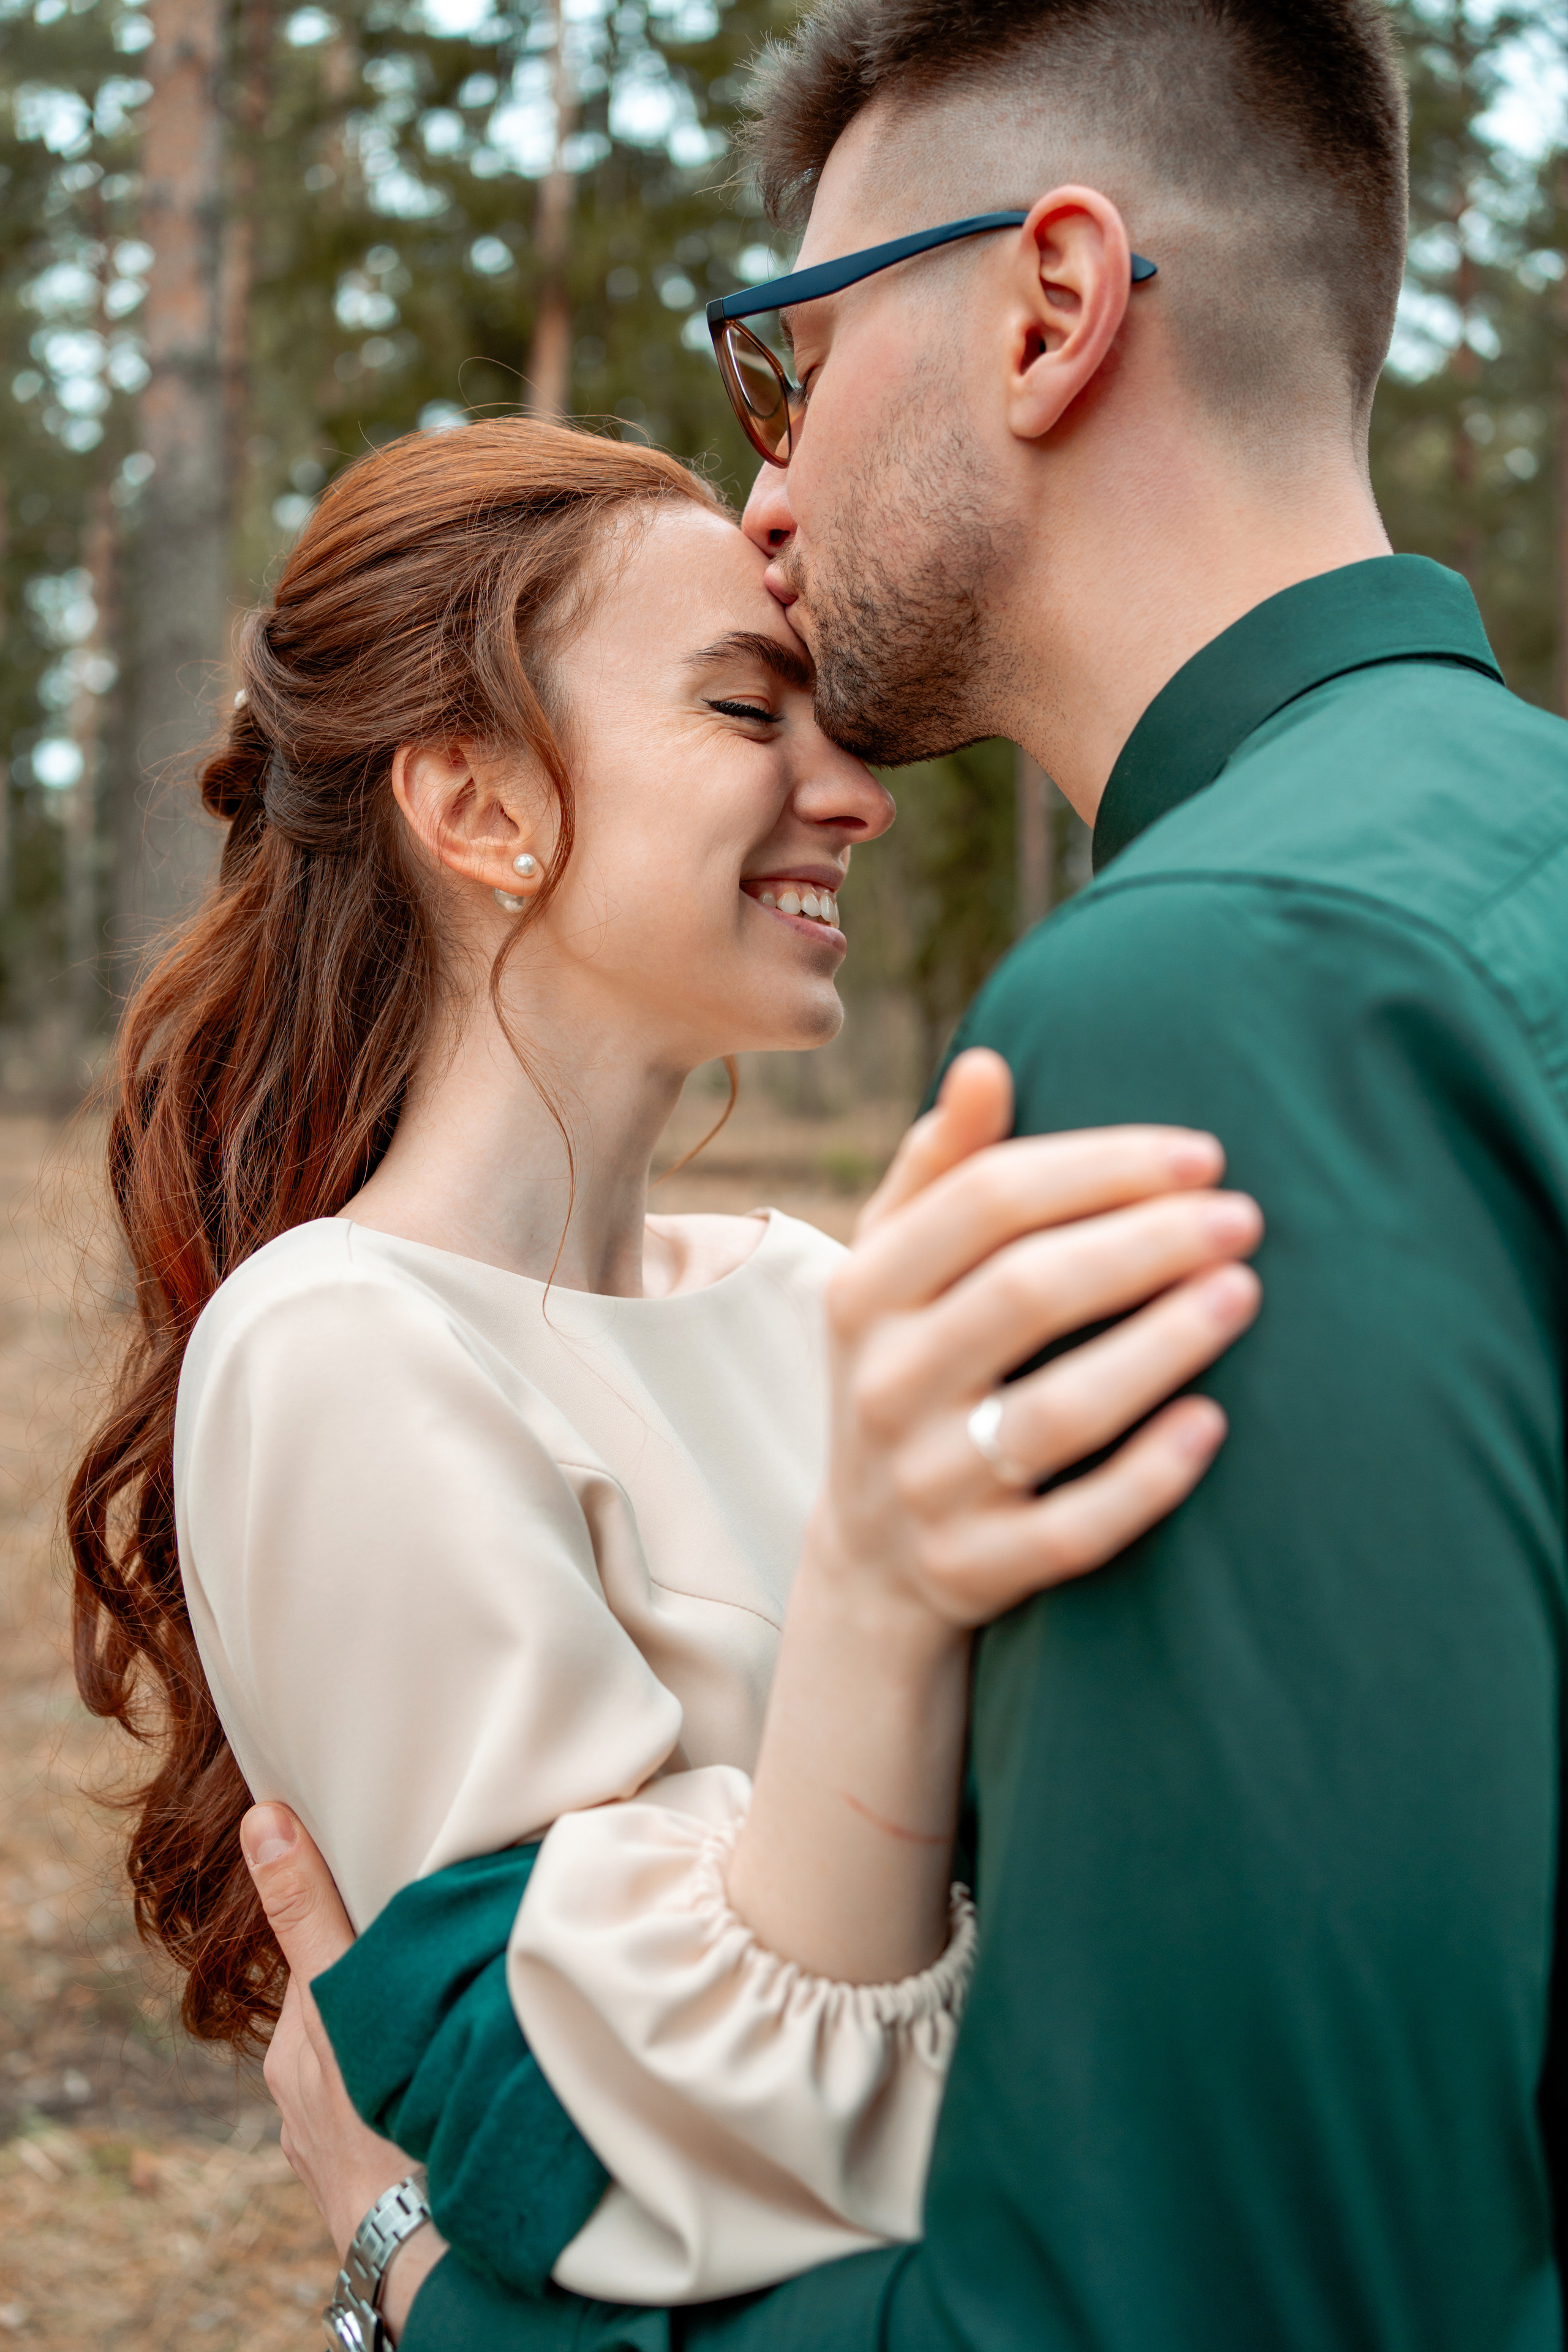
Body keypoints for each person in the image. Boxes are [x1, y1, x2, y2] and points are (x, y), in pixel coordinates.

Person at [252, 0, 1568, 2346]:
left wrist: (423, 2287)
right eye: (732, 712)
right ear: (471, 806)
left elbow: (1215, 2274)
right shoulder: (1479, 888)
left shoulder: (1210, 1004)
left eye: (793, 356)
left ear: (1049, 309)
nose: (769, 484)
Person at [69, 421, 1263, 2343]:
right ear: (473, 805)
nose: (852, 791)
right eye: (744, 710)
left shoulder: (811, 1293)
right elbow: (627, 2152)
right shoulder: (335, 1349)